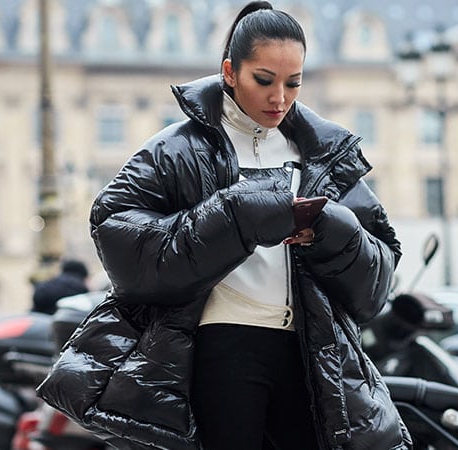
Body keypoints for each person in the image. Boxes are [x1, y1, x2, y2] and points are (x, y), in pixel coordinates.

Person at [87, 2, 409, 449]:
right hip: (221, 345)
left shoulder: (323, 152)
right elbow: (115, 227)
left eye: (293, 82)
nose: (280, 97)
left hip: (310, 350)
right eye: (264, 79)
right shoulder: (178, 150)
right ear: (230, 72)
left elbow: (382, 267)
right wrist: (234, 217)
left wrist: (332, 231)